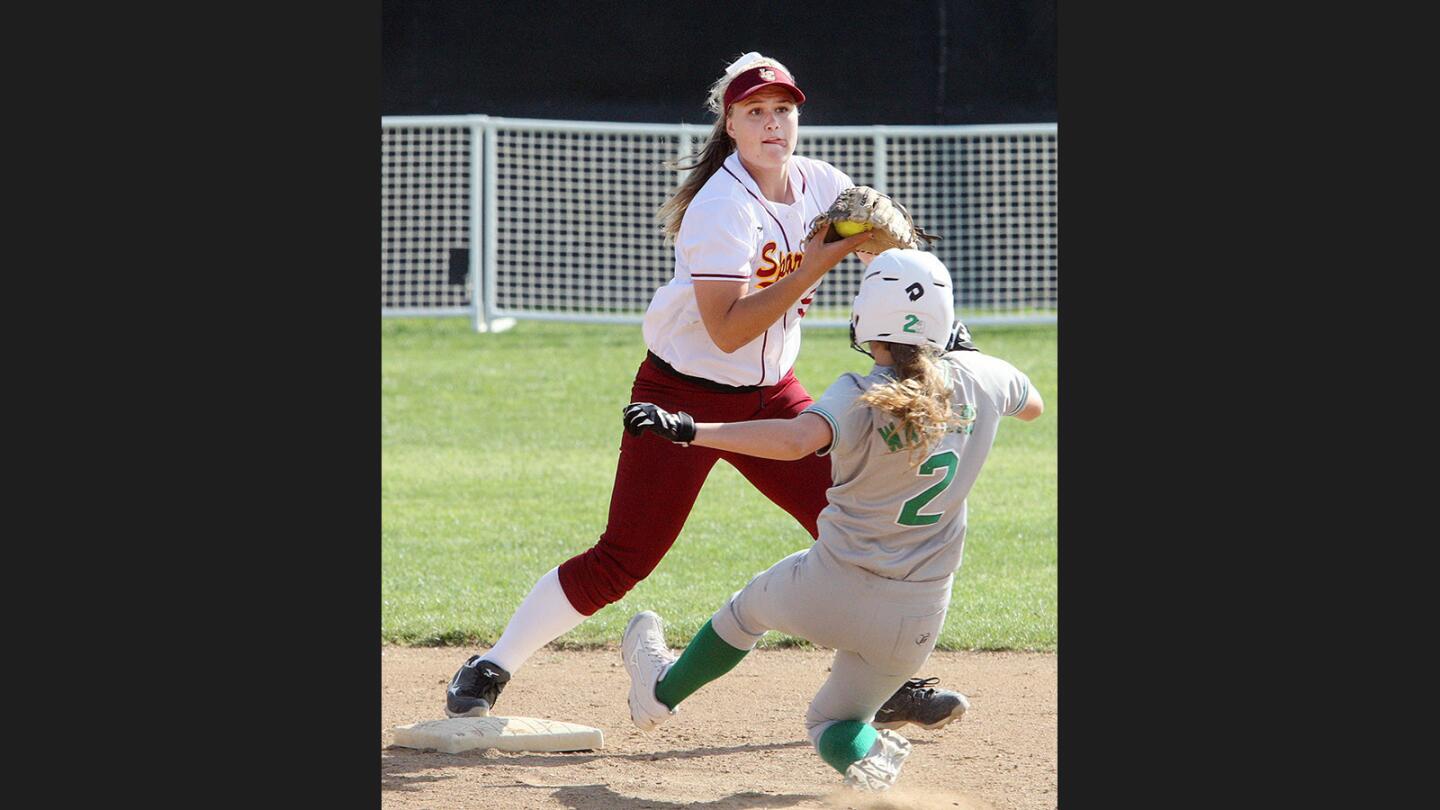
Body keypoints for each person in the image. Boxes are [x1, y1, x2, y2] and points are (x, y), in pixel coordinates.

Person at [445, 51, 966, 729]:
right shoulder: (721, 204)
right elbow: (725, 330)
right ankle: (490, 666)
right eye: (756, 111)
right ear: (731, 121)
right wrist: (822, 260)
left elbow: (891, 266)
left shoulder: (819, 183)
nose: (773, 123)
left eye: (784, 109)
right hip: (680, 397)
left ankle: (881, 682)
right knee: (624, 558)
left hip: (774, 395)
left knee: (857, 522)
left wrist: (895, 254)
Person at [618, 249, 1044, 791]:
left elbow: (796, 440)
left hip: (829, 585)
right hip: (918, 617)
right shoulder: (985, 377)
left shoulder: (858, 392)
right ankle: (876, 772)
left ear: (865, 320)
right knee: (833, 723)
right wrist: (969, 355)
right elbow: (1033, 405)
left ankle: (657, 695)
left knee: (745, 614)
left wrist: (689, 428)